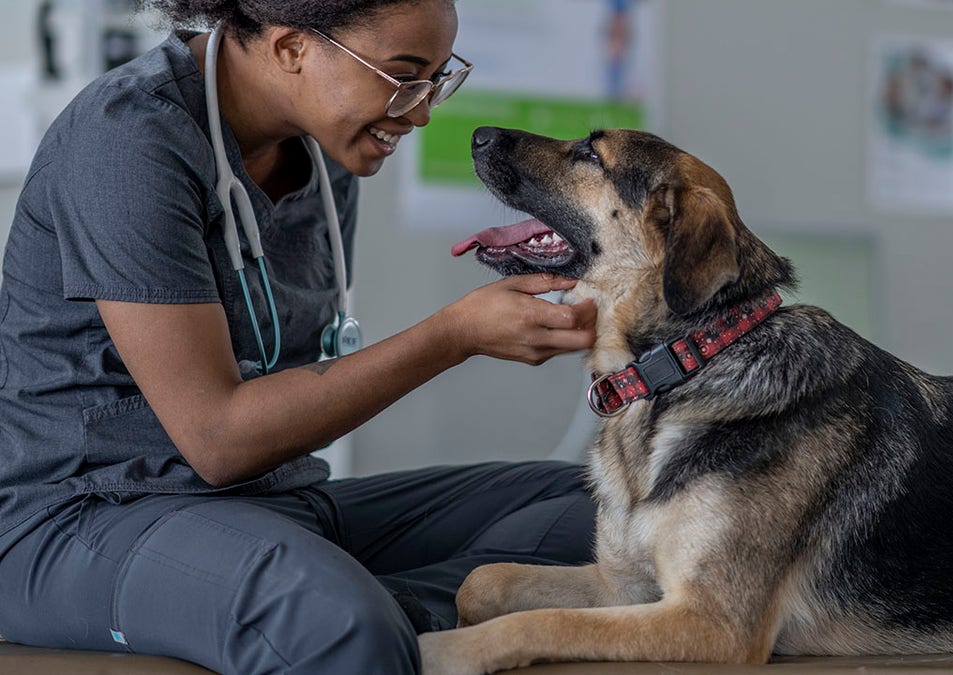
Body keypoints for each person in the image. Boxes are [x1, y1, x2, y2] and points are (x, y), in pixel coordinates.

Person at [0, 1, 598, 673]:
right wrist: (452, 335)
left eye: (436, 78)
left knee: (606, 506)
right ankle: (343, 611)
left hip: (274, 505)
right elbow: (219, 440)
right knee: (338, 624)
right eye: (404, 76)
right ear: (290, 49)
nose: (422, 110)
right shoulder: (128, 142)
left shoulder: (324, 150)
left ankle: (365, 608)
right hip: (83, 520)